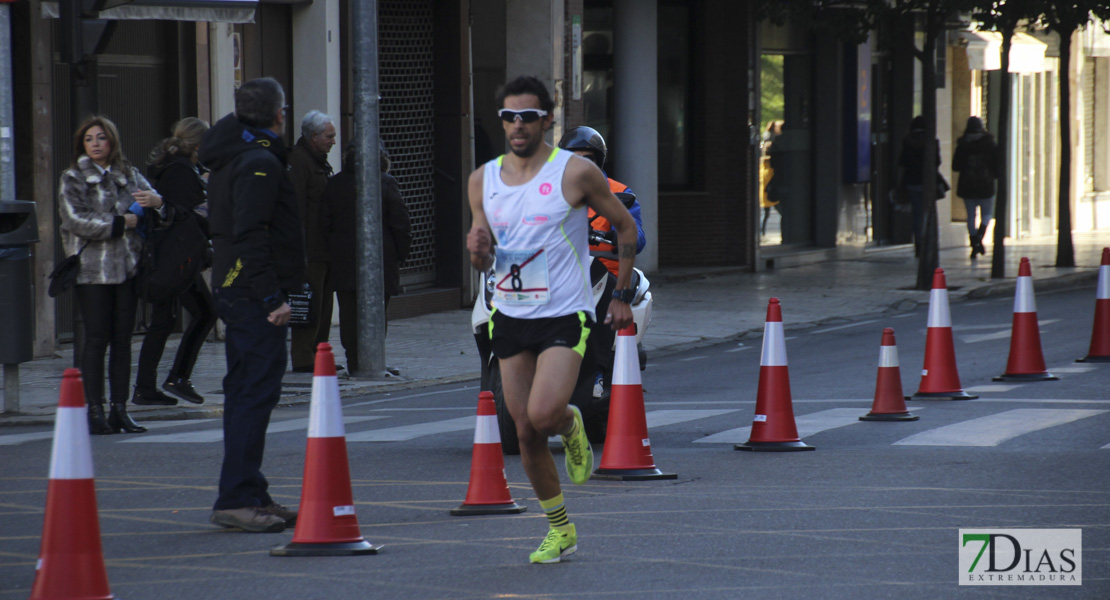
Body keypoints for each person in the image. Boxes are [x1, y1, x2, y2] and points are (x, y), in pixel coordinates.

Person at [466, 76, 637, 564]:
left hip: (565, 314)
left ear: (546, 119)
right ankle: (560, 529)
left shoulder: (575, 173)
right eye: (508, 117)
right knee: (524, 432)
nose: (517, 126)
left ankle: (571, 420)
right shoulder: (484, 181)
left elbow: (625, 226)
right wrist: (477, 252)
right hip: (510, 316)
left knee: (543, 415)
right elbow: (483, 254)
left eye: (527, 116)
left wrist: (621, 294)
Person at [200, 77, 305, 533]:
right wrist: (272, 297)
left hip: (237, 287)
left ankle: (251, 490)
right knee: (253, 394)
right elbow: (251, 233)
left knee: (247, 392)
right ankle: (238, 497)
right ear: (280, 115)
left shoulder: (236, 154)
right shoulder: (260, 162)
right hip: (250, 293)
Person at [59, 115, 164, 435]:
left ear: (112, 141)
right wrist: (120, 223)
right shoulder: (73, 176)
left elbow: (155, 199)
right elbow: (75, 218)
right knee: (96, 339)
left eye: (101, 138)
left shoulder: (127, 172)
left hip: (127, 268)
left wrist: (155, 202)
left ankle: (120, 409)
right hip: (93, 270)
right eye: (89, 139)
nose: (95, 144)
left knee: (123, 340)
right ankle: (95, 409)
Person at [132, 118, 218, 407]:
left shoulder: (180, 167)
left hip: (174, 257)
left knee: (168, 320)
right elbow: (184, 216)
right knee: (202, 312)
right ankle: (172, 379)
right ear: (198, 145)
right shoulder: (180, 171)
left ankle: (151, 385)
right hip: (175, 259)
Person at [320, 141, 412, 372]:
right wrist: (401, 254)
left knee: (349, 315)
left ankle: (354, 362)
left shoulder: (335, 183)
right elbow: (401, 222)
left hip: (344, 260)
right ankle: (374, 361)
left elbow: (324, 223)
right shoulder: (386, 182)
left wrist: (334, 250)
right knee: (377, 312)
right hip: (381, 260)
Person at [556, 125, 647, 277]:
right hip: (560, 270)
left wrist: (624, 236)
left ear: (598, 161)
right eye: (575, 159)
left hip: (605, 274)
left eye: (588, 159)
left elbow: (636, 234)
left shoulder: (618, 191)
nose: (581, 165)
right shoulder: (551, 192)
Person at [288, 110, 337, 373]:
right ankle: (304, 358)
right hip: (308, 249)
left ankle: (320, 353)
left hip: (323, 248)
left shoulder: (317, 161)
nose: (333, 142)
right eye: (329, 136)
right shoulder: (299, 162)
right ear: (314, 136)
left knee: (323, 304)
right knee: (308, 304)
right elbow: (294, 208)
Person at [952, 116, 999, 259]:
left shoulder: (963, 145)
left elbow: (956, 166)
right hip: (986, 185)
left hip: (967, 186)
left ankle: (974, 242)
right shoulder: (990, 143)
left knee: (971, 216)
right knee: (987, 214)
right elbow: (997, 165)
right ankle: (979, 238)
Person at [897, 115, 942, 253]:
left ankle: (918, 242)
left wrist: (899, 182)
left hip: (911, 181)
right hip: (927, 181)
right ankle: (928, 241)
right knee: (928, 212)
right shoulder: (932, 141)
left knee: (917, 213)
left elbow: (902, 163)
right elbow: (937, 162)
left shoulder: (908, 141)